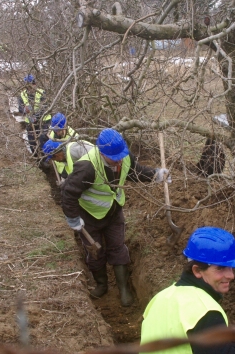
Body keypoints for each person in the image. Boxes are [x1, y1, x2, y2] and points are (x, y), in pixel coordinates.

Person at [61, 128, 170, 307]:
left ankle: (124, 289)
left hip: (113, 211)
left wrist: (157, 175)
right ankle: (101, 285)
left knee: (118, 248)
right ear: (102, 153)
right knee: (95, 252)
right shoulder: (86, 166)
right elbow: (68, 193)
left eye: (121, 155)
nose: (119, 160)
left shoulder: (123, 155)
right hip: (89, 215)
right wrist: (73, 218)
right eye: (114, 157)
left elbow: (136, 172)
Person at [137, 227, 235, 354]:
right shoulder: (206, 311)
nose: (231, 275)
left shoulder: (159, 298)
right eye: (220, 268)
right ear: (197, 270)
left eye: (230, 267)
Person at [18, 75, 50, 156]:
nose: (30, 89)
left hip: (43, 121)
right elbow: (20, 108)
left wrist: (36, 116)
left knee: (43, 139)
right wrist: (25, 110)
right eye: (27, 87)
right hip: (30, 122)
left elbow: (45, 107)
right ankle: (36, 158)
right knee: (32, 142)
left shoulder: (41, 93)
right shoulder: (22, 95)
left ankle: (46, 158)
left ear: (34, 84)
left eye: (31, 86)